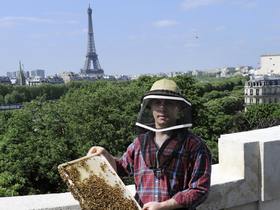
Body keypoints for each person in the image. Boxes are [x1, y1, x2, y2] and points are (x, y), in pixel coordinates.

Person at [88, 78, 212, 210]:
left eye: (169, 103)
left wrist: (164, 206)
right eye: (157, 102)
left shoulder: (194, 146)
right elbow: (120, 169)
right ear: (150, 107)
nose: (162, 108)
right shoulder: (139, 143)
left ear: (178, 108)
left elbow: (200, 189)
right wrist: (105, 155)